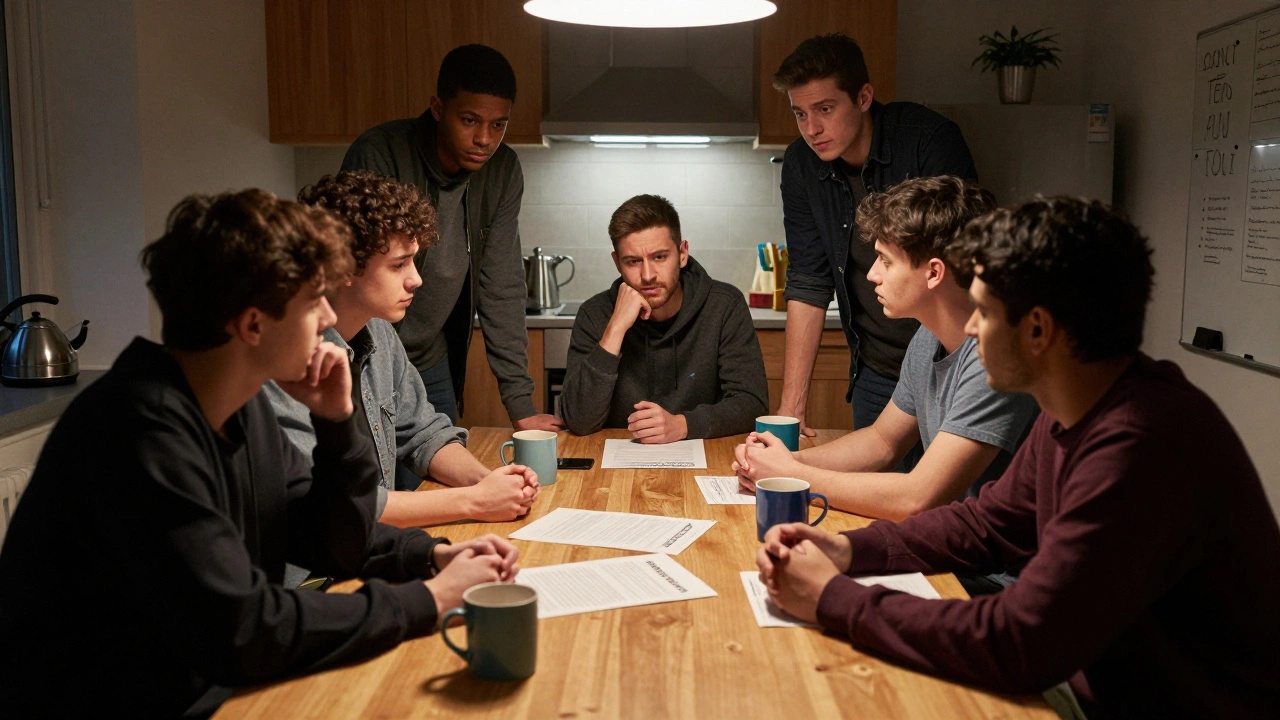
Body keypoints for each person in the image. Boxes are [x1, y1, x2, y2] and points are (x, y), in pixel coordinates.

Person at [0, 190, 519, 719]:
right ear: (252, 325)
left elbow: (329, 538)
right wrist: (428, 600)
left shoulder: (237, 408)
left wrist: (427, 556)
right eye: (314, 299)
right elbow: (247, 629)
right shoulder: (138, 430)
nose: (326, 317)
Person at [755, 197, 1280, 718]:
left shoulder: (1139, 443)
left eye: (984, 311)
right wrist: (847, 551)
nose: (973, 328)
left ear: (1037, 330)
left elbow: (1021, 642)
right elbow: (986, 525)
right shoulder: (1077, 405)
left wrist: (833, 598)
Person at [733, 177, 1038, 531]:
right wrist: (783, 462)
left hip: (996, 573)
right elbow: (882, 442)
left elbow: (917, 498)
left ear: (934, 273)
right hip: (956, 545)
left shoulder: (993, 359)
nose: (873, 275)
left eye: (885, 261)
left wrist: (795, 476)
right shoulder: (928, 337)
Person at [265, 170, 539, 528]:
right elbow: (333, 508)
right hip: (312, 575)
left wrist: (486, 482)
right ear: (342, 266)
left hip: (373, 548)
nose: (417, 279)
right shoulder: (280, 363)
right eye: (399, 265)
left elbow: (423, 433)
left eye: (414, 260)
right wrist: (472, 501)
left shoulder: (379, 334)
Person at [341, 43, 560, 432]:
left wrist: (521, 406)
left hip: (431, 360)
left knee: (439, 470)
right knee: (378, 482)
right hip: (365, 356)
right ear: (438, 109)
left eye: (499, 125)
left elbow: (502, 285)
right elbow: (354, 270)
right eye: (470, 120)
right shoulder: (381, 152)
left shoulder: (503, 170)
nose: (485, 139)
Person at [772, 33, 978, 435]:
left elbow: (959, 261)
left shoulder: (926, 140)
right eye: (800, 114)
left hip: (947, 360)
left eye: (825, 109)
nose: (811, 129)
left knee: (947, 492)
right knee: (872, 483)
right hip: (876, 370)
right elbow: (809, 280)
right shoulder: (800, 163)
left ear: (864, 97)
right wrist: (791, 409)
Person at [561, 194, 768, 442]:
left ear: (682, 254)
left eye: (659, 257)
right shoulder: (594, 315)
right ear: (617, 263)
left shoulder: (724, 305)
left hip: (706, 458)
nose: (648, 275)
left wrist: (684, 425)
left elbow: (752, 403)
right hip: (614, 469)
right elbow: (578, 420)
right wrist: (615, 329)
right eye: (633, 261)